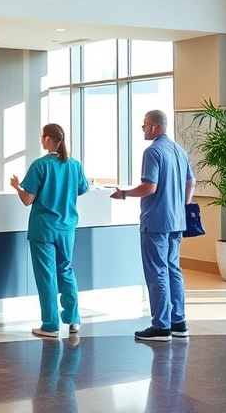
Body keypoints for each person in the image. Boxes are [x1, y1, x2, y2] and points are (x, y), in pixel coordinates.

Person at [110, 110, 195, 341]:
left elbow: (149, 187)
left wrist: (124, 193)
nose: (143, 129)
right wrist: (181, 205)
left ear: (155, 127)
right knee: (173, 270)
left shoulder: (153, 151)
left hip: (156, 221)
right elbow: (191, 182)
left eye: (144, 125)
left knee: (157, 272)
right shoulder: (180, 151)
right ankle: (179, 322)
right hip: (177, 221)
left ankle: (160, 327)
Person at [10, 123, 89, 339]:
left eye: (41, 137)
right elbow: (82, 189)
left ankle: (50, 324)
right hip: (67, 228)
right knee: (65, 270)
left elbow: (28, 200)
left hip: (44, 229)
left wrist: (17, 186)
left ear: (46, 139)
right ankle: (73, 320)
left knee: (46, 275)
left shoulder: (40, 165)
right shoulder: (74, 165)